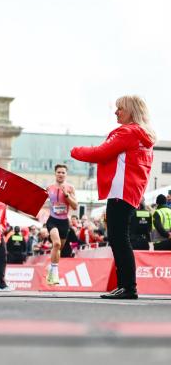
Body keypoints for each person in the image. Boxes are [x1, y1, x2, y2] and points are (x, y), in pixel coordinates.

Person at [71, 95, 155, 300]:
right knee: (120, 239)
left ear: (132, 112)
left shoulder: (128, 132)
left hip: (120, 191)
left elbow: (100, 153)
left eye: (120, 109)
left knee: (119, 240)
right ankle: (126, 286)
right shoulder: (143, 135)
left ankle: (127, 287)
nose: (116, 112)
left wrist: (74, 150)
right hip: (131, 191)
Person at [45, 164, 78, 285]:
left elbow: (75, 206)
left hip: (64, 222)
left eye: (63, 172)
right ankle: (54, 272)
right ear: (55, 173)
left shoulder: (70, 188)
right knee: (57, 243)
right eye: (58, 172)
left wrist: (67, 195)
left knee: (59, 248)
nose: (60, 174)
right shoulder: (49, 188)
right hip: (52, 220)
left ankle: (52, 268)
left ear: (66, 174)